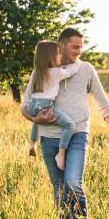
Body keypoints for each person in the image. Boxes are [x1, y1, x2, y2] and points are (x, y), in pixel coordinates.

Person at [21, 28, 109, 219]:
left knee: (72, 182)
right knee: (60, 189)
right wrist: (35, 119)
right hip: (49, 137)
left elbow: (103, 103)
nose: (80, 51)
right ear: (61, 46)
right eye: (75, 46)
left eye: (82, 46)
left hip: (78, 133)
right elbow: (25, 105)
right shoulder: (41, 70)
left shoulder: (86, 69)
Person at [26, 40, 80, 170]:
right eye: (58, 54)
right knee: (70, 125)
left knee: (37, 121)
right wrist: (77, 61)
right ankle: (60, 154)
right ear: (50, 56)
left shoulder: (37, 72)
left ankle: (32, 144)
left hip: (32, 105)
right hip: (45, 106)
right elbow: (71, 71)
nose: (60, 56)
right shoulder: (56, 72)